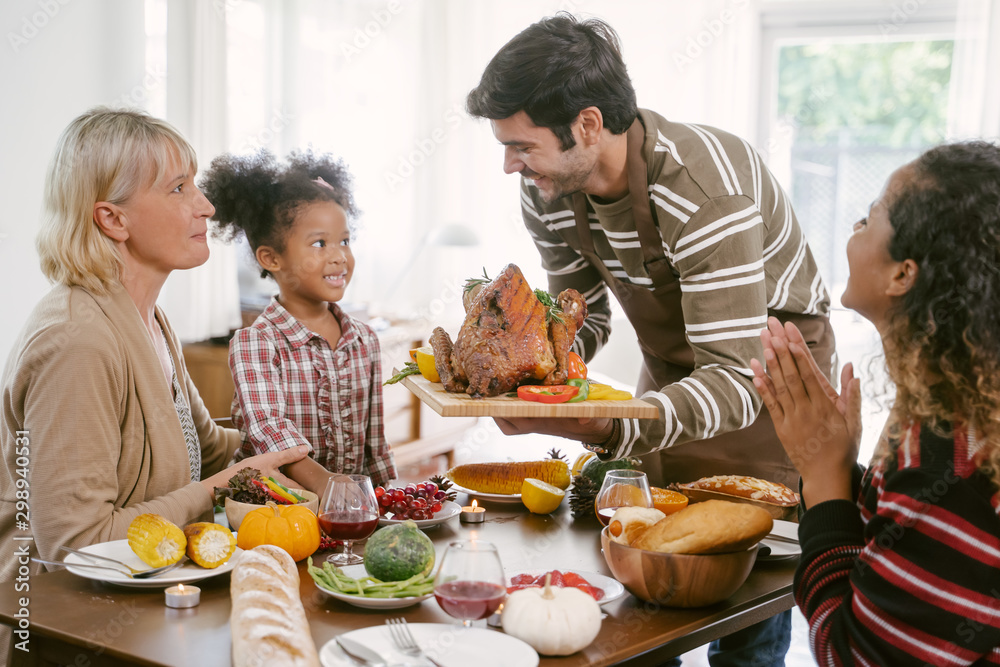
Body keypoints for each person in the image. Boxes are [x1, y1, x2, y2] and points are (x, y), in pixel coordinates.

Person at [466, 14, 836, 665]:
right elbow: (584, 320)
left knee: (742, 594)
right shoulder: (550, 189)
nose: (509, 165)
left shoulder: (700, 189)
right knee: (647, 581)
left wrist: (609, 425)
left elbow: (734, 378)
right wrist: (525, 359)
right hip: (676, 371)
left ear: (586, 124)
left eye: (521, 145)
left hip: (771, 381)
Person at [0, 108, 309, 657]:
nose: (206, 206)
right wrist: (226, 484)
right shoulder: (78, 341)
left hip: (142, 608)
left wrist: (304, 438)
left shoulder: (146, 316)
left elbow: (207, 448)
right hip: (58, 633)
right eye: (179, 188)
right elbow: (79, 545)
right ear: (113, 220)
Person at [752, 141, 1000, 665]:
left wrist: (823, 480)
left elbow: (855, 655)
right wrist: (845, 474)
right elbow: (909, 554)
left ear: (902, 275)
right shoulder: (960, 421)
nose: (853, 229)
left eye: (869, 218)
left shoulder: (950, 455)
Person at [199, 150, 396, 496]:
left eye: (345, 241)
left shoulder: (365, 339)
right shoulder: (256, 343)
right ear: (271, 258)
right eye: (320, 243)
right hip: (274, 508)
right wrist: (329, 487)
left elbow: (374, 442)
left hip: (348, 511)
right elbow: (269, 428)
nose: (339, 256)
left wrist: (384, 497)